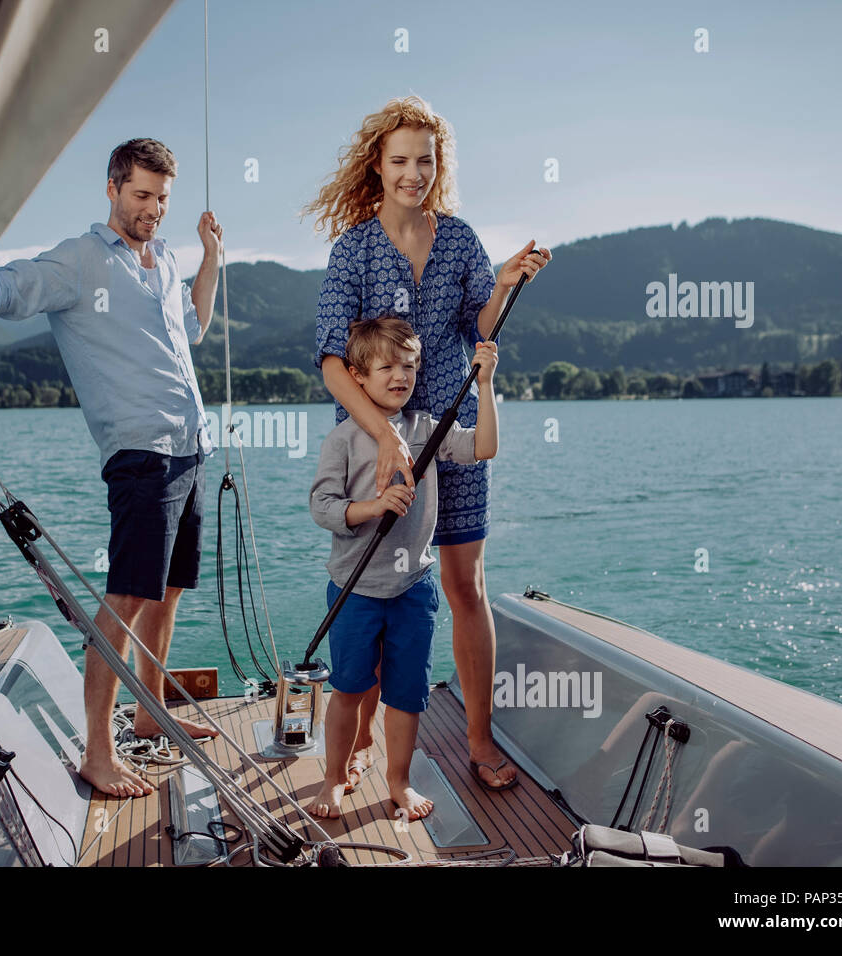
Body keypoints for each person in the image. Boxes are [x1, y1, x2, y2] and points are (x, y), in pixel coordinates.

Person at [0, 138, 223, 798]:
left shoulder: (163, 262)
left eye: (162, 198)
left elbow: (193, 325)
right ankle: (98, 752)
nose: (153, 209)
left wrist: (212, 258)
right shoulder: (80, 260)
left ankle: (153, 717)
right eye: (141, 196)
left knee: (169, 592)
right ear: (111, 188)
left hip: (190, 448)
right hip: (139, 458)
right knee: (127, 599)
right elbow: (8, 289)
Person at [303, 95, 550, 791]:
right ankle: (358, 744)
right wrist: (384, 439)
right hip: (372, 440)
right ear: (377, 166)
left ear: (438, 166)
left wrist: (501, 285)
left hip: (448, 429)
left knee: (463, 583)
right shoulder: (352, 249)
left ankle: (478, 739)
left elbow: (481, 326)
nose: (414, 173)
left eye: (426, 161)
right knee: (379, 586)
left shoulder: (461, 238)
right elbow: (329, 360)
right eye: (401, 160)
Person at [307, 317, 499, 820]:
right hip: (356, 590)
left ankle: (399, 781)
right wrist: (372, 507)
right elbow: (322, 506)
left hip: (414, 588)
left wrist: (485, 384)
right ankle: (333, 775)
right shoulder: (344, 439)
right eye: (387, 366)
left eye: (409, 366)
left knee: (406, 695)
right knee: (348, 688)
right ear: (357, 375)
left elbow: (483, 447)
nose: (401, 376)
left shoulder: (427, 430)